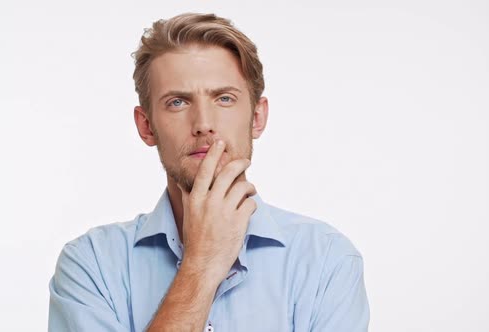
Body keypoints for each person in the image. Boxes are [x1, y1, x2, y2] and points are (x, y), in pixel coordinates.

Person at [48, 13, 370, 332]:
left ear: (257, 117)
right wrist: (200, 267)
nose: (203, 123)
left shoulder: (328, 262)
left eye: (224, 98)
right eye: (177, 102)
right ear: (146, 126)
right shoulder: (91, 266)